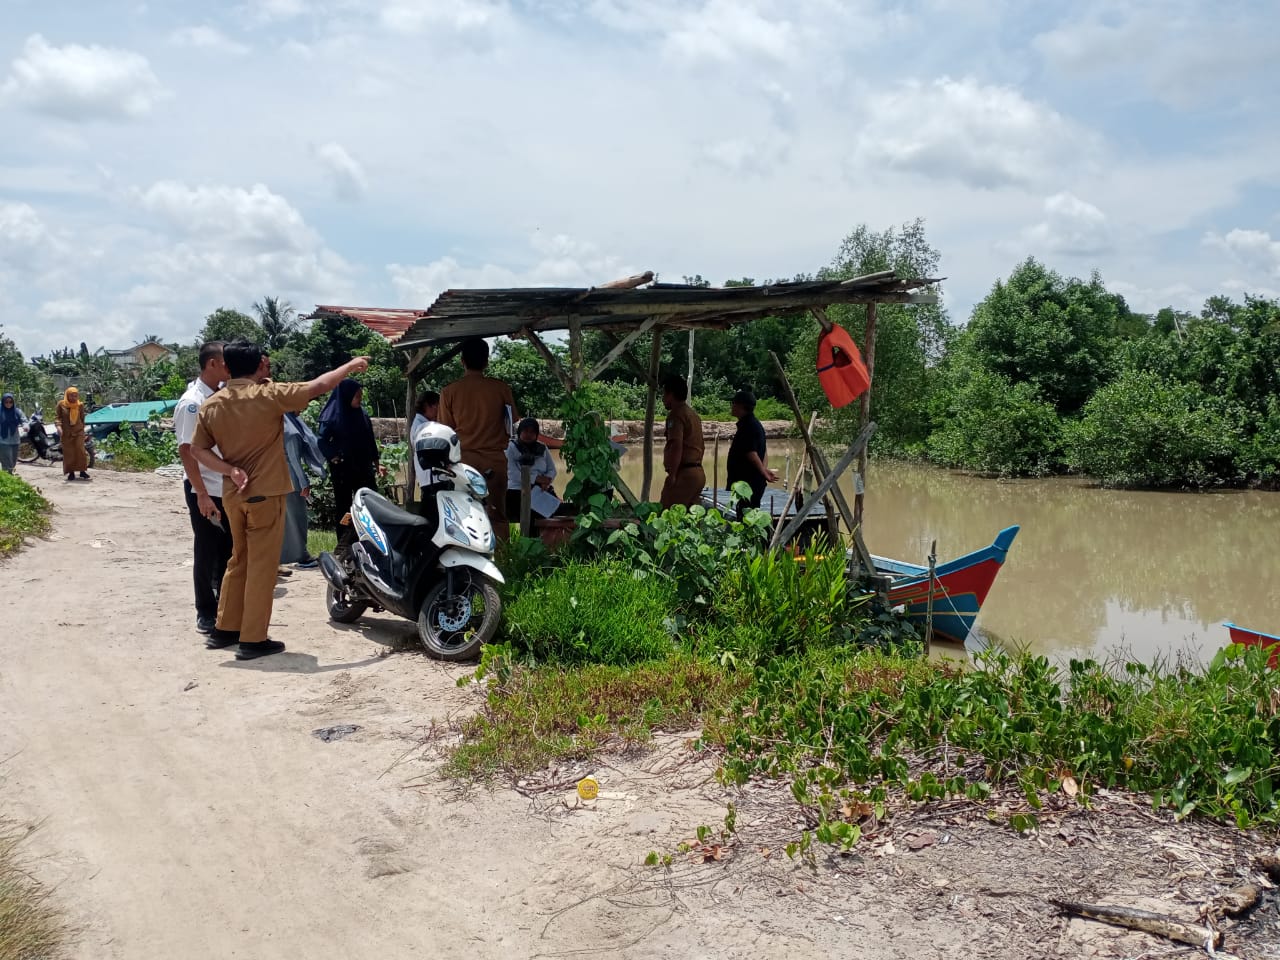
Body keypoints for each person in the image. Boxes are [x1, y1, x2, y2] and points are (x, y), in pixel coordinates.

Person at [189, 341, 370, 661]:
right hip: (265, 493)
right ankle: (253, 639)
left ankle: (225, 629)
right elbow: (320, 385)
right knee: (261, 566)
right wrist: (350, 365)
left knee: (238, 560)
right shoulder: (268, 396)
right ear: (259, 364)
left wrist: (228, 468)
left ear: (227, 368)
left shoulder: (212, 404)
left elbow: (197, 451)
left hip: (233, 494)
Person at [174, 342, 234, 635]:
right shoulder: (192, 403)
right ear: (212, 364)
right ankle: (205, 611)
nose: (229, 368)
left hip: (224, 488)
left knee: (227, 551)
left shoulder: (219, 396)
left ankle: (226, 608)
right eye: (225, 363)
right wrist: (201, 494)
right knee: (207, 550)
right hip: (205, 489)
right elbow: (187, 451)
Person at [438, 337, 518, 542]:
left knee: (464, 513)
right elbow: (513, 423)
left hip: (463, 463)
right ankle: (503, 560)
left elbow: (446, 432)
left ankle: (469, 560)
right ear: (486, 361)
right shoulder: (501, 389)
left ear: (462, 361)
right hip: (495, 461)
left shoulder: (449, 392)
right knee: (498, 515)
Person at [317, 378, 380, 558]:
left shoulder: (362, 415)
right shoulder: (332, 417)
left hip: (363, 468)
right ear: (346, 396)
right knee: (344, 507)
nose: (359, 398)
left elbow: (370, 440)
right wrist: (334, 456)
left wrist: (377, 462)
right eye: (356, 395)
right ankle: (344, 544)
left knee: (369, 503)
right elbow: (322, 440)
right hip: (343, 470)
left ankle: (370, 540)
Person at [281, 411, 326, 568]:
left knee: (288, 520)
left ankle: (285, 556)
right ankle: (301, 555)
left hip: (282, 478)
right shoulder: (291, 431)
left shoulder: (284, 425)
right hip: (291, 479)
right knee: (298, 518)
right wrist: (304, 482)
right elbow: (294, 460)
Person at [726, 389, 778, 517]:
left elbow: (751, 452)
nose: (731, 406)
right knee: (750, 514)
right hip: (752, 482)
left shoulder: (748, 426)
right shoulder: (754, 424)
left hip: (748, 484)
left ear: (740, 406)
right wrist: (763, 470)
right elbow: (764, 450)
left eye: (733, 403)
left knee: (746, 516)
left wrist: (763, 471)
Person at [659, 375, 705, 509]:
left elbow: (676, 446)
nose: (663, 399)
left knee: (668, 514)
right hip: (698, 473)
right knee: (691, 519)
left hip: (684, 474)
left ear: (671, 395)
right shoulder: (693, 414)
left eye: (664, 394)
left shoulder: (676, 415)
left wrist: (673, 475)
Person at [505, 417, 561, 523]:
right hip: (517, 490)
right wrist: (536, 479)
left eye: (532, 432)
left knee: (555, 511)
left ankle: (544, 538)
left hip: (541, 489)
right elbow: (512, 473)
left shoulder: (542, 448)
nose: (528, 435)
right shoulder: (511, 447)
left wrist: (546, 481)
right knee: (525, 517)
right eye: (525, 431)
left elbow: (552, 470)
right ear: (520, 431)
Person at [55, 386, 90, 481]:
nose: (73, 398)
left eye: (75, 396)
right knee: (69, 453)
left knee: (80, 450)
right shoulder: (61, 404)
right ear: (67, 395)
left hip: (78, 431)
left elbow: (82, 418)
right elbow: (58, 417)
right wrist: (58, 427)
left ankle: (82, 471)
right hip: (66, 433)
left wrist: (82, 429)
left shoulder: (80, 405)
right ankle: (71, 472)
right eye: (71, 396)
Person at [410, 390, 440, 499]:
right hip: (432, 478)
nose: (439, 411)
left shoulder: (423, 424)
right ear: (427, 406)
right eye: (437, 406)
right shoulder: (423, 427)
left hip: (431, 478)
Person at [0, 394, 25, 474]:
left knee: (13, 462)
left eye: (10, 402)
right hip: (3, 441)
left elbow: (24, 420)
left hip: (15, 440)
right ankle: (8, 480)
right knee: (7, 463)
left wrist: (26, 426)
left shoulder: (17, 411)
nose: (8, 404)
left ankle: (8, 479)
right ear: (3, 402)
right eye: (6, 402)